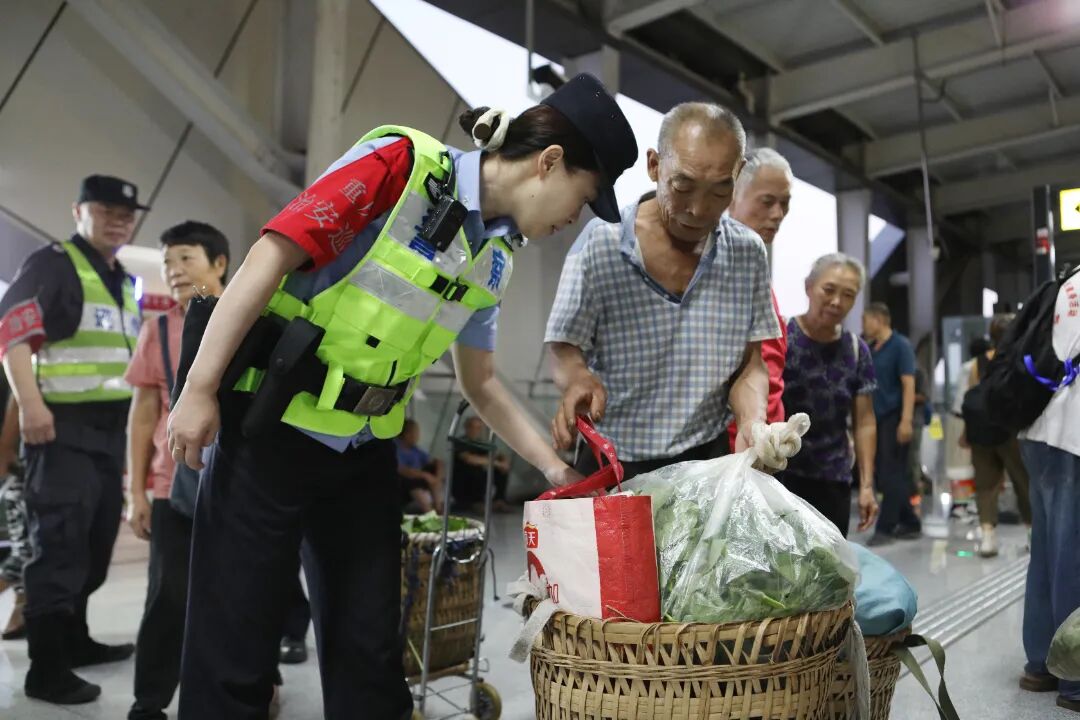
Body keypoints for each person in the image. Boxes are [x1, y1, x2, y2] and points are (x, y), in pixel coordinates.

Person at [166, 73, 638, 719]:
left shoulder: (494, 257)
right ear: (549, 162)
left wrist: (557, 471)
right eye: (581, 200)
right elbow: (269, 256)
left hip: (362, 456)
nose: (571, 221)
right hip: (267, 431)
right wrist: (198, 389)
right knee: (234, 650)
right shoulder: (401, 166)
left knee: (371, 654)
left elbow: (483, 384)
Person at [546, 102, 779, 480]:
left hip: (708, 462)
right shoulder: (602, 246)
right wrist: (577, 379)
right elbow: (563, 345)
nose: (698, 210)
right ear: (655, 166)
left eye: (720, 191)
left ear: (738, 174)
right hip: (615, 461)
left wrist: (753, 422)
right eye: (682, 186)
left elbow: (750, 364)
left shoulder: (748, 253)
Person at [0, 175, 145, 704]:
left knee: (92, 548)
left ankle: (76, 642)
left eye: (127, 214)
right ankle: (46, 668)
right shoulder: (56, 263)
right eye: (106, 209)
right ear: (77, 210)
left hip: (109, 436)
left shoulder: (123, 279)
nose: (119, 219)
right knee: (58, 549)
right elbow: (11, 331)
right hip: (62, 431)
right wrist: (32, 405)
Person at [125, 222, 230, 720]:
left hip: (237, 484)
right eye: (168, 263)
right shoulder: (158, 328)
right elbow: (143, 413)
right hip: (174, 484)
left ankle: (249, 687)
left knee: (239, 594)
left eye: (186, 258)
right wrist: (137, 493)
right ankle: (149, 701)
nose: (174, 271)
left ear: (220, 264)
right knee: (167, 596)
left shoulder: (249, 318)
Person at [777, 254, 878, 537]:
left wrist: (867, 485)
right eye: (829, 290)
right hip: (780, 476)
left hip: (833, 479)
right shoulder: (781, 337)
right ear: (809, 287)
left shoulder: (857, 351)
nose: (836, 302)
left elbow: (865, 421)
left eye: (848, 295)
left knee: (831, 570)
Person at [1016, 269, 1080, 714]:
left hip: (1036, 426)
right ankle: (1075, 676)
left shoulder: (1066, 280)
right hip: (1072, 432)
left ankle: (1040, 662)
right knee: (1071, 554)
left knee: (1048, 549)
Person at [724, 147, 792, 450]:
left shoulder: (755, 273)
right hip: (731, 444)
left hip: (763, 435)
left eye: (785, 204)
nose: (777, 214)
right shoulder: (716, 272)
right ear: (731, 196)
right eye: (767, 202)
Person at [959, 314, 1032, 558]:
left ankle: (988, 537)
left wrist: (966, 433)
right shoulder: (1018, 359)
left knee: (985, 486)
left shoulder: (978, 363)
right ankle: (1032, 535)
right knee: (1023, 483)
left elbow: (971, 400)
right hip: (1010, 431)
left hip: (981, 432)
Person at [862, 302, 921, 545]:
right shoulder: (872, 349)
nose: (864, 326)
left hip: (895, 417)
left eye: (866, 320)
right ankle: (910, 522)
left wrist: (906, 421)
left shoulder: (901, 346)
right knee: (885, 474)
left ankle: (885, 528)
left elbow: (908, 384)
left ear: (880, 319)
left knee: (891, 473)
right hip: (875, 419)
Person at [0, 392, 28, 640]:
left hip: (19, 468)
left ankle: (20, 614)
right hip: (18, 471)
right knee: (24, 555)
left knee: (27, 552)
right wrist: (6, 450)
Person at [453, 415, 512, 512]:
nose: (475, 430)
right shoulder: (460, 442)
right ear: (467, 428)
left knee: (500, 471)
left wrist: (503, 461)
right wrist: (497, 463)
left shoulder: (479, 443)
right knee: (477, 472)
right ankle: (476, 503)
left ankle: (499, 499)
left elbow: (496, 455)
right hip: (462, 481)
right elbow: (470, 459)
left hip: (478, 477)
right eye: (473, 427)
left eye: (478, 428)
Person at [396, 419, 445, 513]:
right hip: (403, 481)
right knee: (413, 481)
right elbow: (400, 469)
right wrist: (425, 475)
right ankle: (429, 512)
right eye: (416, 433)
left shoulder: (414, 449)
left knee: (433, 469)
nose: (418, 436)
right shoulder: (395, 447)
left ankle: (439, 510)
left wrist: (437, 477)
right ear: (407, 434)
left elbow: (436, 461)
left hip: (418, 478)